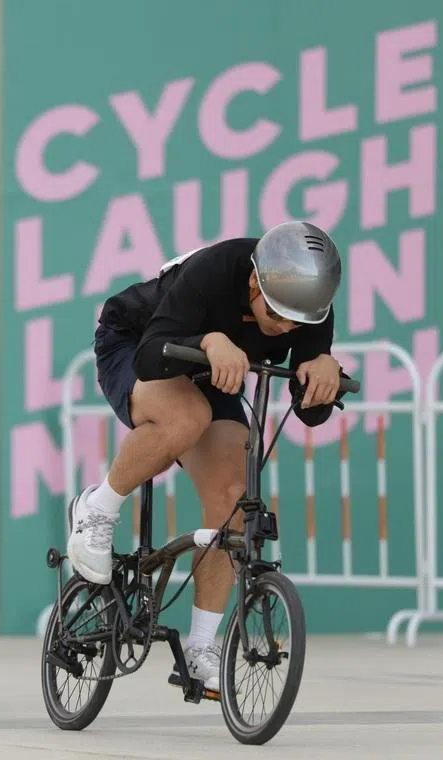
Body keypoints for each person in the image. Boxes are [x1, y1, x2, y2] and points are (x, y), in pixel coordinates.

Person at [70, 220, 345, 693]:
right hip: (138, 344)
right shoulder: (214, 269)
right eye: (276, 315)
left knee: (234, 497)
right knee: (185, 417)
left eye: (297, 323)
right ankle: (98, 507)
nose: (284, 329)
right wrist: (209, 342)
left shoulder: (309, 310)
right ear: (256, 281)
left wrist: (325, 370)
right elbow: (151, 356)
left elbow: (310, 413)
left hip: (213, 375)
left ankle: (201, 649)